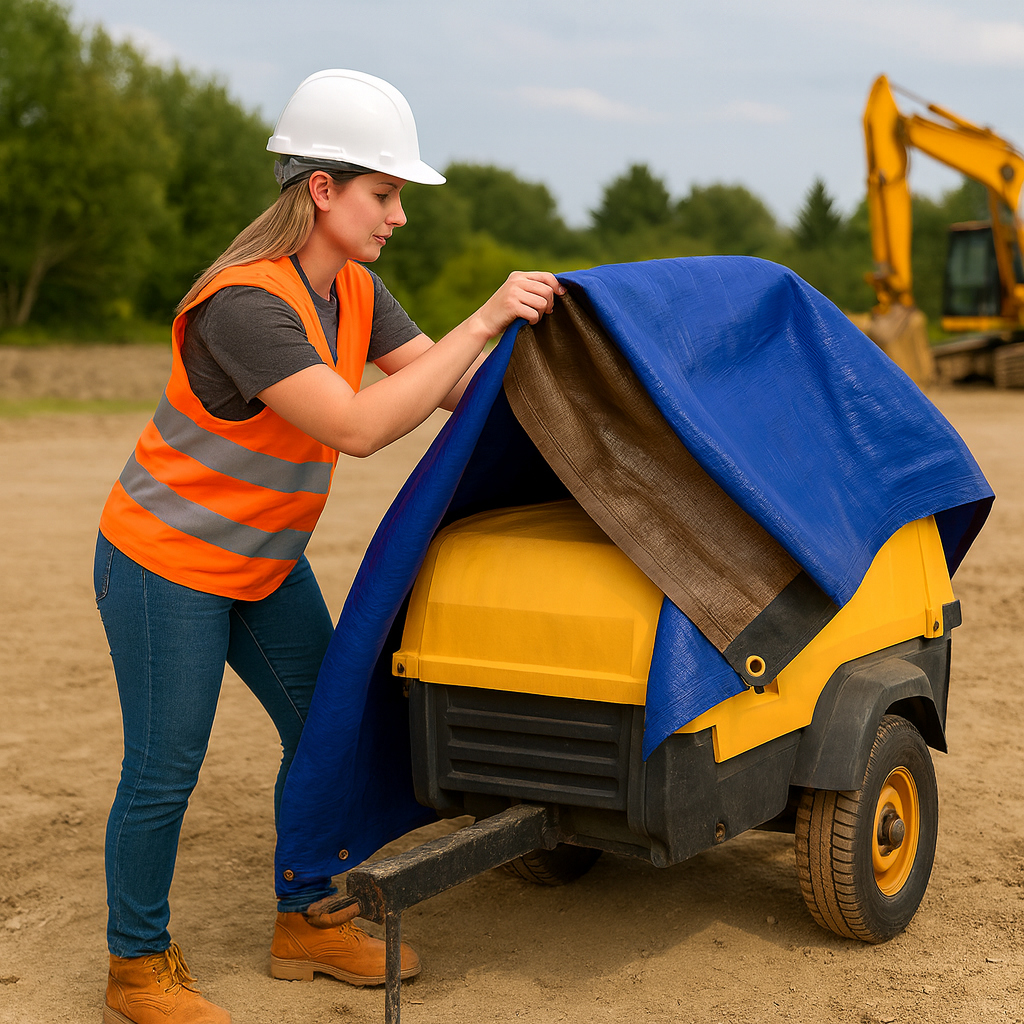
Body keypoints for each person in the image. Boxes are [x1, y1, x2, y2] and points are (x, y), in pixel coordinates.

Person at [94, 68, 563, 1024]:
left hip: (264, 566)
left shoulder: (355, 290)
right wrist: (484, 315)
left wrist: (567, 390)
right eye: (384, 194)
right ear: (322, 188)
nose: (397, 216)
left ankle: (305, 918)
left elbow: (443, 386)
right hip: (164, 567)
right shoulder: (244, 304)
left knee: (329, 734)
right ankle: (135, 968)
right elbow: (353, 425)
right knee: (165, 765)